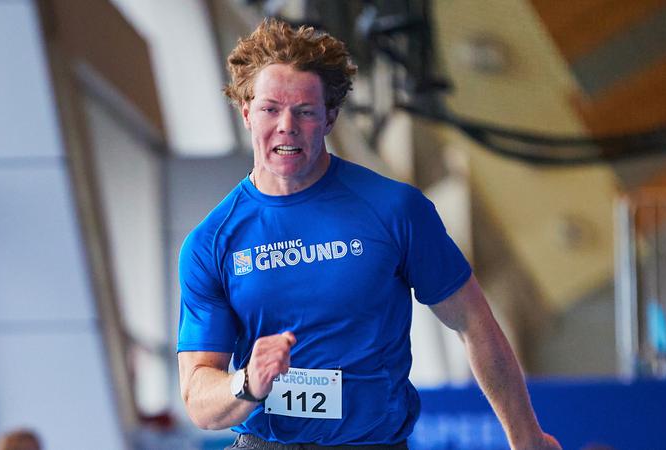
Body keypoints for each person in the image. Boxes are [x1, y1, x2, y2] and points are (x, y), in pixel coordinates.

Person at [177, 18, 561, 450]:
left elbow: (474, 322)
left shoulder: (394, 209)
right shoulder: (211, 243)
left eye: (305, 111)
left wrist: (526, 437)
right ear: (247, 113)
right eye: (270, 109)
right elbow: (198, 399)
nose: (287, 125)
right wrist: (247, 381)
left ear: (330, 118)